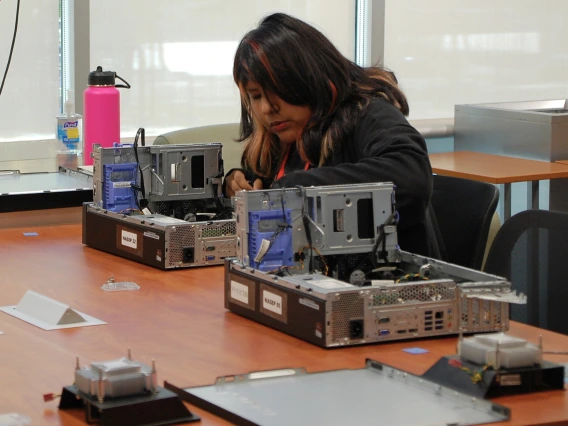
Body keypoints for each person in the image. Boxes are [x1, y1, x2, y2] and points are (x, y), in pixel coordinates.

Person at [224, 12, 443, 258]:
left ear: (310, 78)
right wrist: (238, 181)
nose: (267, 109)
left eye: (277, 91)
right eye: (255, 96)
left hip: (384, 284)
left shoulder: (370, 115)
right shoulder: (287, 133)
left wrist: (297, 190)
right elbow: (273, 179)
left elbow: (411, 179)